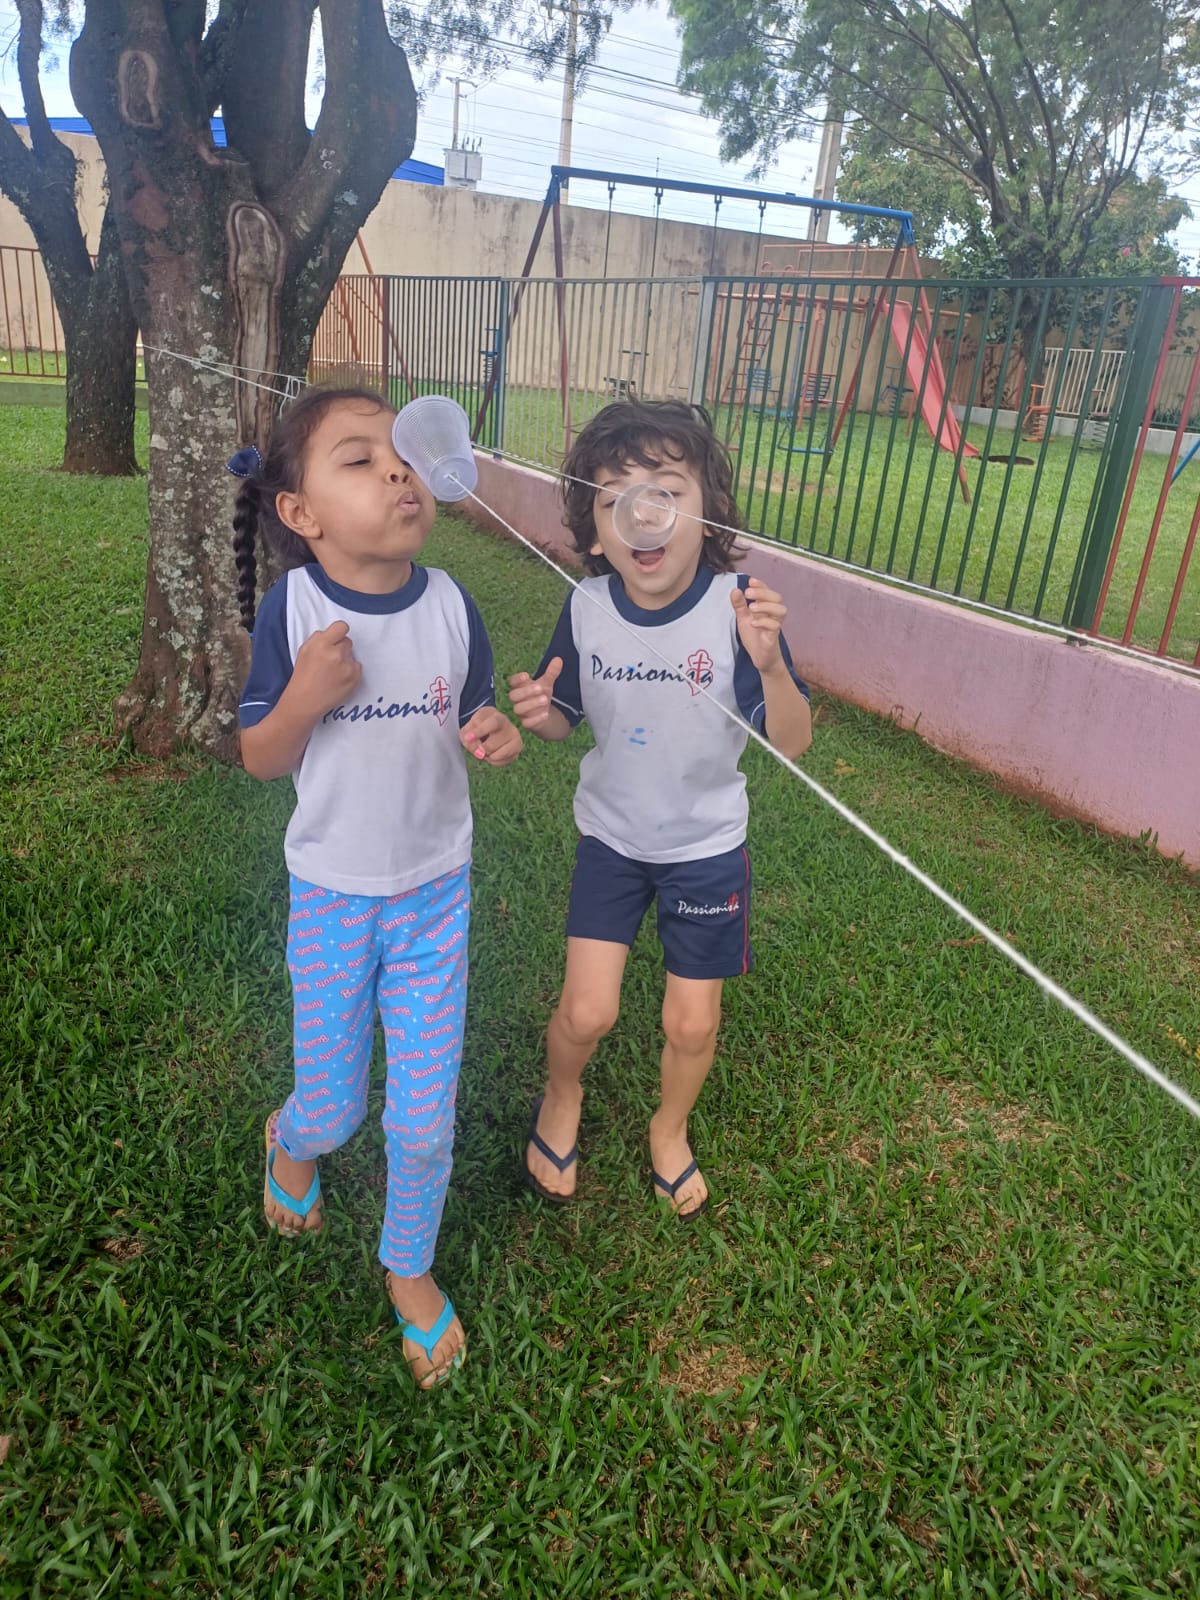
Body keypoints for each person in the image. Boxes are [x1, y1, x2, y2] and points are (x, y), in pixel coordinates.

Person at [231, 385, 522, 1388]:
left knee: (423, 1115)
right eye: (359, 458)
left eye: (400, 452)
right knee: (333, 1098)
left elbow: (472, 709)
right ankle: (291, 1137)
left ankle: (409, 1268)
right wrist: (305, 696)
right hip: (333, 899)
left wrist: (495, 730)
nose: (398, 468)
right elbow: (260, 757)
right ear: (300, 513)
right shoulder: (295, 609)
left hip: (437, 895)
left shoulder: (452, 604)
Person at [508, 400, 812, 1221]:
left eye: (666, 490)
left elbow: (792, 742)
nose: (642, 514)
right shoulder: (588, 605)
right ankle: (560, 1099)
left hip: (707, 849)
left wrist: (772, 667)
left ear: (706, 508)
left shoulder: (738, 608)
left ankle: (669, 1129)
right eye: (613, 498)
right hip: (611, 840)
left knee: (690, 1024)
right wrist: (543, 714)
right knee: (587, 1009)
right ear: (594, 526)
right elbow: (564, 712)